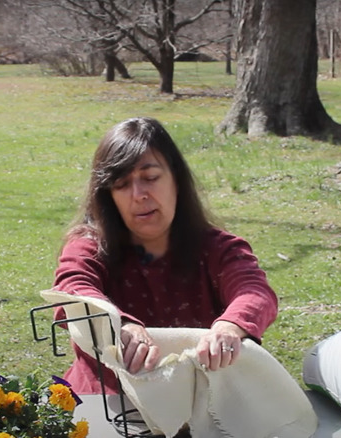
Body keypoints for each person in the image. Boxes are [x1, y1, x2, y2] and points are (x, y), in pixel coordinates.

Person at [52, 117, 278, 395]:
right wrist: (118, 324)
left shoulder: (218, 248)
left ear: (177, 180)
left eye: (150, 178)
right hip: (105, 404)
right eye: (122, 184)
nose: (139, 195)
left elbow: (254, 291)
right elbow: (71, 289)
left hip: (202, 403)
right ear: (108, 196)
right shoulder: (89, 246)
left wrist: (230, 327)